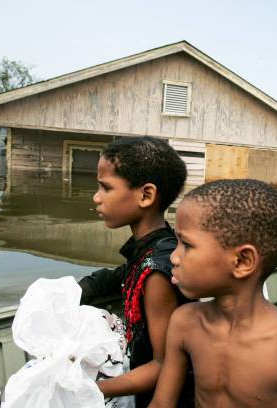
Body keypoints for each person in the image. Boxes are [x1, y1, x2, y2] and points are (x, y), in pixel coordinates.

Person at [149, 179, 277, 408]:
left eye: (186, 245)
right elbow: (161, 404)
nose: (174, 257)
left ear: (243, 261)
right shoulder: (184, 322)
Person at [77, 136, 194, 407]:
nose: (96, 198)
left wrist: (92, 388)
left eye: (106, 188)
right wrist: (73, 291)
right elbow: (119, 276)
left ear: (146, 195)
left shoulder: (156, 273)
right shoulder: (152, 247)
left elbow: (163, 364)